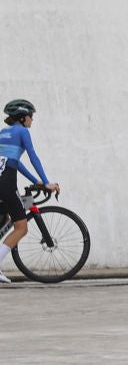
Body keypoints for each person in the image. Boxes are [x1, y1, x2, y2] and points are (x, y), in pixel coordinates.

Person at [1, 99, 58, 283]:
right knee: (21, 227)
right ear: (24, 118)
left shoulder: (3, 132)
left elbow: (14, 162)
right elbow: (33, 156)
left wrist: (36, 181)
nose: (32, 120)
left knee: (6, 219)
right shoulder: (23, 132)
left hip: (3, 179)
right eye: (31, 117)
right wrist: (47, 182)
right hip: (7, 182)